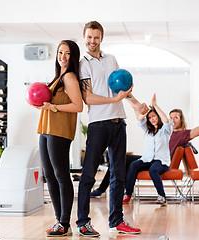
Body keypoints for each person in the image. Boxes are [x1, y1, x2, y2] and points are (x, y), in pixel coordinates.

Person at [76, 21, 147, 237]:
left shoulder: (111, 59)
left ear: (102, 38)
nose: (92, 41)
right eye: (89, 37)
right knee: (89, 175)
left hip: (119, 123)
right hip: (98, 125)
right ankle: (82, 222)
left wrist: (135, 104)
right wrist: (114, 99)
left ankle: (116, 221)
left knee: (119, 175)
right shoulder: (83, 64)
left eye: (96, 37)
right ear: (84, 37)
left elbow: (120, 87)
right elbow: (87, 97)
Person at [92, 98, 199, 202]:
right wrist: (131, 100)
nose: (173, 120)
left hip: (161, 161)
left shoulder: (183, 134)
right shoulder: (156, 130)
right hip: (150, 158)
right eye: (171, 117)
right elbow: (141, 119)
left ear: (181, 120)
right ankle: (105, 189)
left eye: (176, 118)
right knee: (122, 159)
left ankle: (139, 193)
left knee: (136, 164)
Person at [36, 40, 83, 237]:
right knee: (50, 176)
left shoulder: (70, 77)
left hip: (59, 131)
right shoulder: (58, 77)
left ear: (73, 57)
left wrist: (52, 107)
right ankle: (59, 221)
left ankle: (64, 221)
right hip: (46, 129)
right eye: (60, 52)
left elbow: (78, 106)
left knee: (62, 176)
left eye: (67, 53)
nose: (62, 56)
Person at [124, 94, 173, 206]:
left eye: (154, 116)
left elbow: (166, 120)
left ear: (158, 117)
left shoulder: (166, 130)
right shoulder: (148, 130)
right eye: (150, 118)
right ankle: (128, 195)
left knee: (153, 170)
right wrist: (144, 111)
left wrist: (155, 105)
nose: (152, 119)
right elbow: (139, 119)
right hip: (147, 159)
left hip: (161, 161)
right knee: (133, 165)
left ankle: (162, 196)